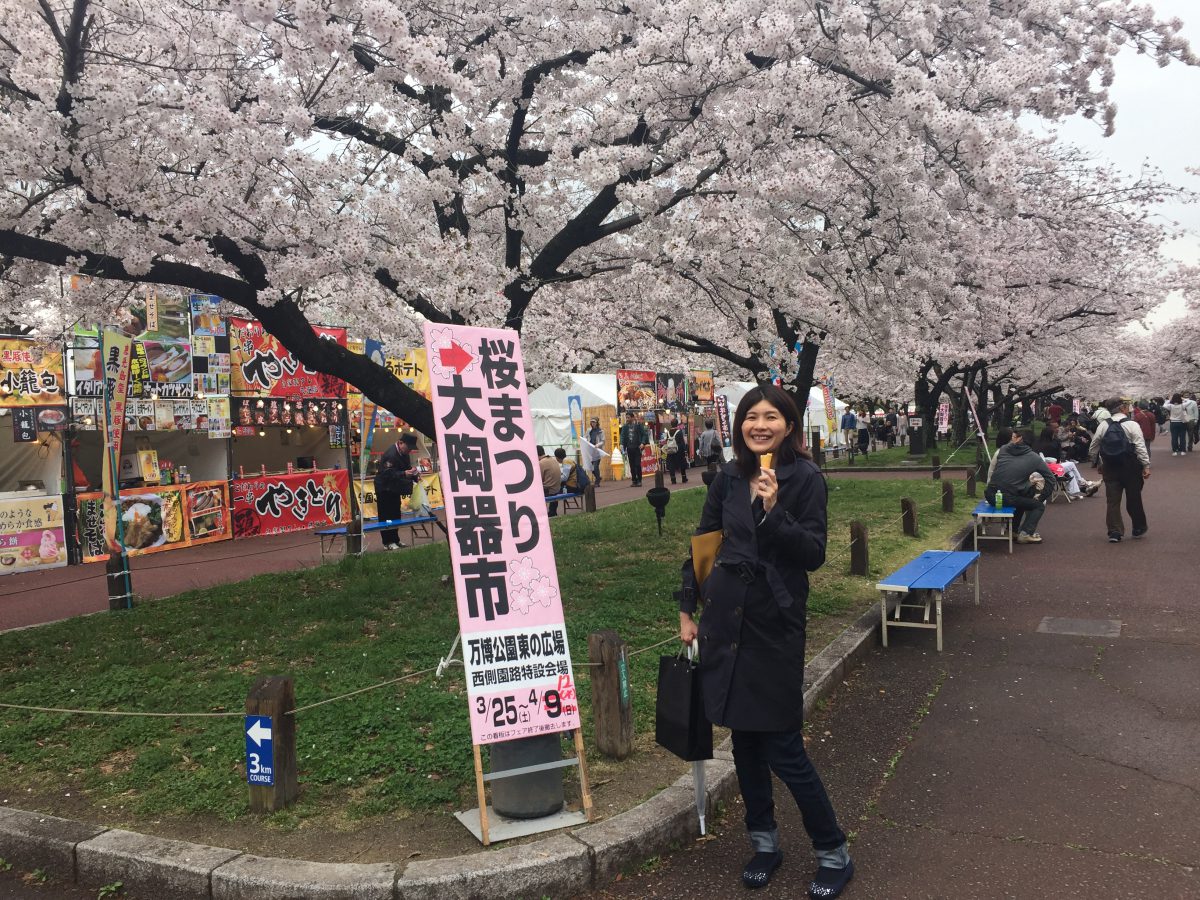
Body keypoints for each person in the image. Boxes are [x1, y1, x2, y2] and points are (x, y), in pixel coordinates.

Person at [676, 384, 853, 898]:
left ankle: (833, 852)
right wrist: (688, 606)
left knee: (782, 746)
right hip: (725, 620)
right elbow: (704, 542)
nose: (760, 425)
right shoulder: (728, 477)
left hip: (773, 623)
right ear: (739, 426)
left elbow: (813, 553)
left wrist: (775, 511)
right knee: (746, 743)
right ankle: (765, 843)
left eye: (770, 416)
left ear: (790, 425)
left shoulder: (806, 478)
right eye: (751, 416)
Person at [1089, 399, 1150, 543]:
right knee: (1134, 497)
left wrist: (1098, 463)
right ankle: (1138, 527)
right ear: (1122, 408)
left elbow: (1093, 447)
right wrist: (1146, 465)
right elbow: (1140, 447)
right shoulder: (1132, 425)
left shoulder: (1104, 425)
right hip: (1131, 467)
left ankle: (1115, 532)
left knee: (1113, 501)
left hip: (1110, 467)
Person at [985, 428, 1055, 544]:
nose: (1011, 439)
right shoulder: (1034, 458)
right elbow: (1051, 479)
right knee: (1038, 506)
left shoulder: (1002, 450)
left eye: (1013, 437)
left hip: (991, 495)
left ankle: (1012, 531)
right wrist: (1042, 497)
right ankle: (1026, 533)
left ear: (1019, 439)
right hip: (1008, 497)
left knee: (1022, 497)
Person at [373, 433, 418, 550]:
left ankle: (396, 539)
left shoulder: (404, 454)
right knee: (386, 515)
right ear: (400, 443)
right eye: (408, 448)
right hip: (384, 488)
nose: (409, 451)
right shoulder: (391, 454)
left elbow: (407, 467)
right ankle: (387, 542)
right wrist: (404, 473)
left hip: (394, 488)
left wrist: (415, 474)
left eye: (411, 449)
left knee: (396, 513)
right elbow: (387, 473)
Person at [620, 412, 648, 486]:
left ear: (632, 418)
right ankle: (634, 480)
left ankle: (639, 480)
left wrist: (642, 443)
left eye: (628, 417)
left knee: (637, 464)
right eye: (627, 417)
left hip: (637, 448)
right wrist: (621, 444)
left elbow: (644, 435)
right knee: (632, 465)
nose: (627, 419)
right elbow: (622, 436)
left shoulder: (638, 425)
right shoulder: (625, 427)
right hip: (629, 448)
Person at [661, 417, 690, 484]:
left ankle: (673, 479)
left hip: (670, 450)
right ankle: (684, 478)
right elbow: (682, 442)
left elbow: (667, 441)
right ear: (677, 424)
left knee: (671, 464)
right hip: (678, 450)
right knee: (682, 464)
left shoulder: (668, 432)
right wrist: (685, 450)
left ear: (671, 424)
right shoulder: (679, 432)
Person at [538, 445, 562, 516]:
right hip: (557, 489)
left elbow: (538, 479)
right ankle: (552, 511)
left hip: (549, 490)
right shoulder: (553, 460)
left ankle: (539, 513)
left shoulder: (541, 463)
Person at [587, 417, 605, 484]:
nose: (592, 423)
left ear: (597, 423)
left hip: (597, 451)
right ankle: (598, 477)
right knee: (591, 467)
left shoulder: (601, 431)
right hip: (590, 451)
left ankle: (597, 481)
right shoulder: (588, 430)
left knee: (595, 466)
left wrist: (598, 445)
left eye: (594, 422)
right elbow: (586, 438)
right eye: (591, 422)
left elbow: (603, 441)